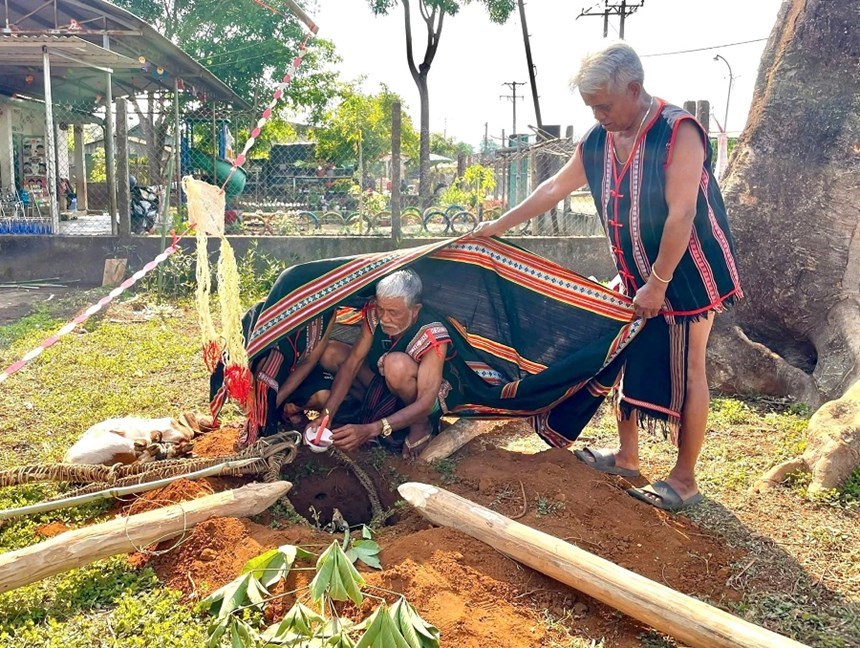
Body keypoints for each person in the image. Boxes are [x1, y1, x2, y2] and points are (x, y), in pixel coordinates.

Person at [473, 43, 743, 511]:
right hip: (635, 272)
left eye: (604, 105)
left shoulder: (678, 132)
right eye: (592, 108)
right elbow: (553, 187)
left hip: (689, 273)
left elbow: (681, 215)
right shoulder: (599, 139)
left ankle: (684, 480)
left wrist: (658, 283)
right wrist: (496, 227)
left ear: (634, 90)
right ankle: (627, 457)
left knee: (690, 367)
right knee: (624, 351)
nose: (598, 116)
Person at [309, 268, 454, 458]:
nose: (385, 318)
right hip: (383, 384)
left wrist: (372, 429)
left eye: (393, 312)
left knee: (396, 365)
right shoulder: (374, 315)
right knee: (331, 353)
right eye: (381, 309)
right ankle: (380, 407)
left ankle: (420, 425)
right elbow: (352, 364)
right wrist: (327, 414)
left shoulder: (432, 333)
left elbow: (426, 401)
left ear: (415, 310)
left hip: (422, 400)